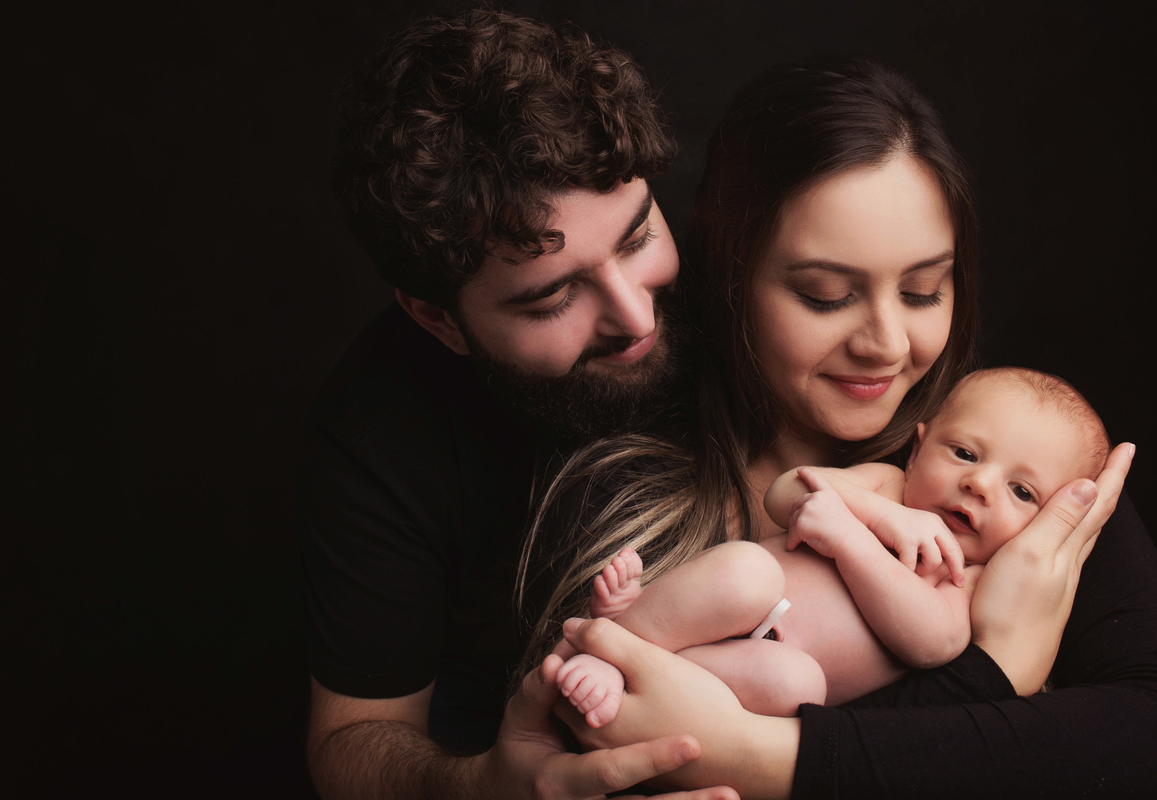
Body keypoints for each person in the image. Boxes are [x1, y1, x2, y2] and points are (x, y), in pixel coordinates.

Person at [521, 56, 1153, 798]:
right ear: (732, 279)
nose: (885, 342)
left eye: (924, 290)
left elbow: (1139, 738)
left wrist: (749, 753)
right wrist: (996, 679)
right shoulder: (617, 482)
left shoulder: (1033, 474)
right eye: (824, 296)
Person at [299, 8, 738, 800]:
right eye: (553, 297)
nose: (636, 318)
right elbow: (352, 740)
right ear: (438, 318)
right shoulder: (379, 422)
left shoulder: (749, 279)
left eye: (638, 239)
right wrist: (481, 787)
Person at [555, 367, 1111, 726]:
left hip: (762, 663)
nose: (980, 485)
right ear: (918, 451)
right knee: (748, 570)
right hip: (729, 603)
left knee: (800, 687)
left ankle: (644, 674)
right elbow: (783, 493)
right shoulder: (887, 487)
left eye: (1021, 491)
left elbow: (932, 643)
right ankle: (617, 639)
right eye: (964, 453)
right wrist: (881, 517)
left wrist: (850, 540)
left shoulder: (975, 579)